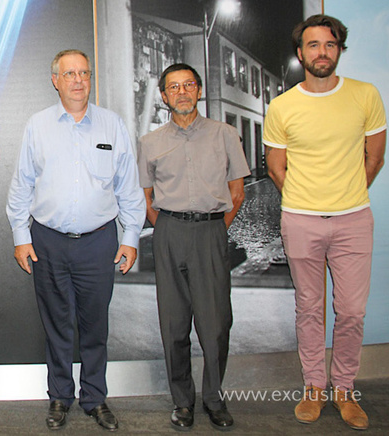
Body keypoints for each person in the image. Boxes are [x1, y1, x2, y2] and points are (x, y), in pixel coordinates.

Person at [6, 49, 146, 432]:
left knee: (94, 327)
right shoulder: (38, 125)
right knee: (57, 326)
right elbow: (22, 184)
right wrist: (21, 235)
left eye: (84, 72)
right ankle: (59, 397)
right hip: (48, 241)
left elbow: (129, 188)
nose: (78, 80)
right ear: (56, 80)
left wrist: (130, 236)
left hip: (99, 243)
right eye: (69, 74)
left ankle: (95, 398)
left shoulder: (112, 125)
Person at [264, 14, 387, 431]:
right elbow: (276, 168)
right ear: (301, 54)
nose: (322, 52)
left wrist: (346, 194)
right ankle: (315, 387)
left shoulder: (365, 95)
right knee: (309, 309)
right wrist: (308, 199)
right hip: (300, 220)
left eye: (330, 45)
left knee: (351, 311)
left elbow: (375, 158)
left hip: (354, 218)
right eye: (313, 45)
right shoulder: (282, 106)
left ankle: (345, 389)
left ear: (339, 50)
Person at [138, 64, 249, 431]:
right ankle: (182, 401)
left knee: (216, 324)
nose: (182, 92)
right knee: (174, 325)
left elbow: (236, 192)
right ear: (164, 96)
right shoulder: (150, 142)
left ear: (199, 90)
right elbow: (147, 196)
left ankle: (214, 398)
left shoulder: (226, 134)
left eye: (188, 85)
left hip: (211, 232)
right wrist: (169, 229)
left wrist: (213, 230)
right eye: (174, 87)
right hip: (169, 231)